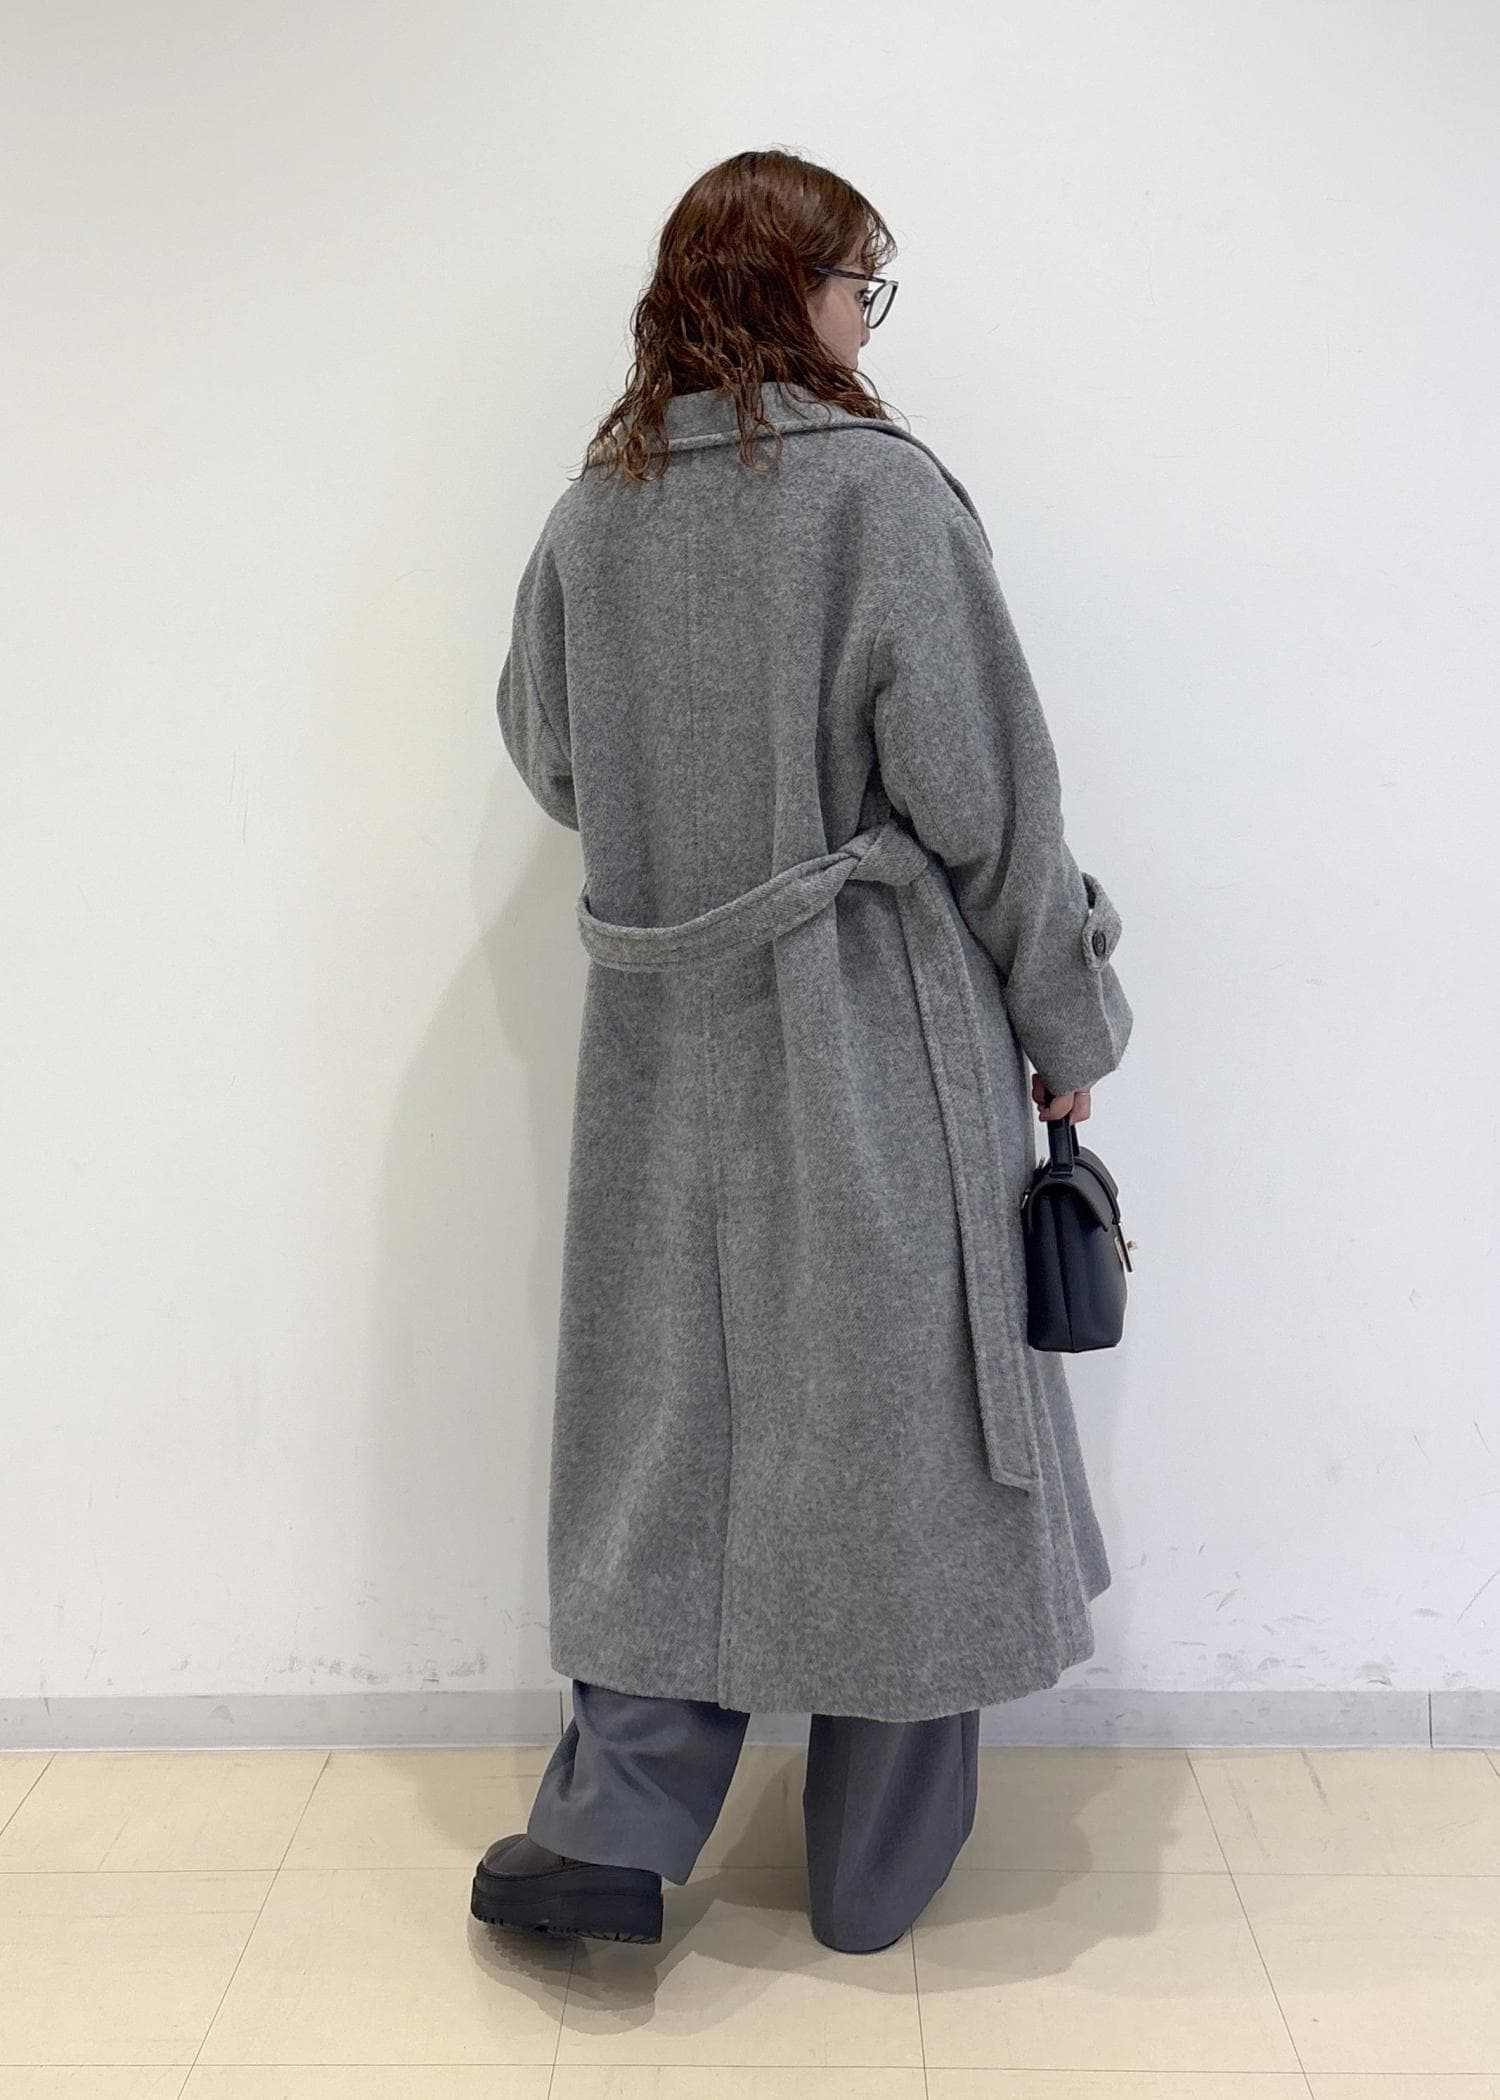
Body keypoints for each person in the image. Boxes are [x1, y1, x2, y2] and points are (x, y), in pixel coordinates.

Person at [471, 149, 1134, 1954]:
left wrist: (695, 830)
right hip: (871, 1025)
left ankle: (617, 1828)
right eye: (859, 284)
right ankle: (871, 1878)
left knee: (666, 1427)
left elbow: (551, 751)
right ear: (792, 293)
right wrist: (1065, 1021)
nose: (866, 320)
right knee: (901, 1430)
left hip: (664, 1033)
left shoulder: (593, 513)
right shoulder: (879, 495)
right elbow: (994, 800)